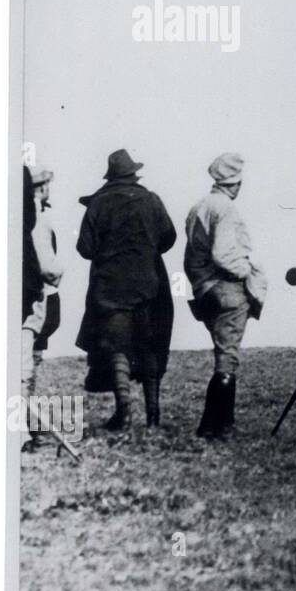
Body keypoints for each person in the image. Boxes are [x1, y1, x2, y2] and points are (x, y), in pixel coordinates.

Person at [75, 149, 176, 431]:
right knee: (148, 347)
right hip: (148, 286)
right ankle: (153, 418)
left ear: (111, 177)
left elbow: (85, 248)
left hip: (110, 288)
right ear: (133, 174)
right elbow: (168, 238)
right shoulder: (151, 200)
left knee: (118, 346)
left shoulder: (98, 204)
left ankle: (125, 414)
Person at [184, 153, 267, 438]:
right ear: (237, 182)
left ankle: (219, 424)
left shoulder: (198, 207)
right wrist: (248, 271)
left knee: (223, 354)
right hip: (227, 289)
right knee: (227, 358)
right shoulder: (227, 209)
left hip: (204, 290)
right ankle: (214, 426)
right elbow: (223, 255)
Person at [21, 165, 66, 451]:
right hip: (32, 296)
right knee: (26, 364)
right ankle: (22, 432)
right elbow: (48, 267)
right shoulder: (35, 217)